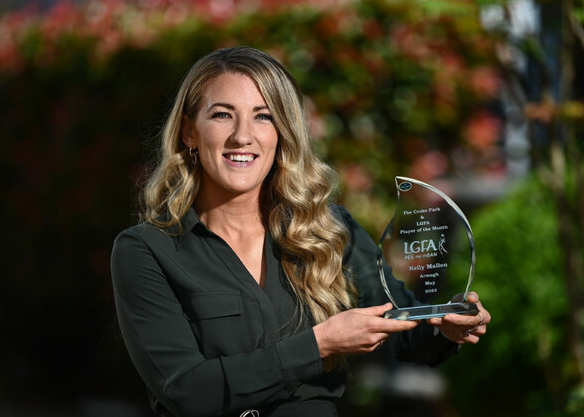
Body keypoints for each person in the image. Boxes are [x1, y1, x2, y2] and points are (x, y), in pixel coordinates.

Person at [110, 46, 491, 417]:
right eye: (222, 115)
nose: (242, 136)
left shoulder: (328, 230)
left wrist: (448, 326)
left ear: (283, 132)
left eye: (263, 116)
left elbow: (405, 330)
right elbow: (188, 391)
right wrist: (319, 345)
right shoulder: (145, 251)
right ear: (189, 132)